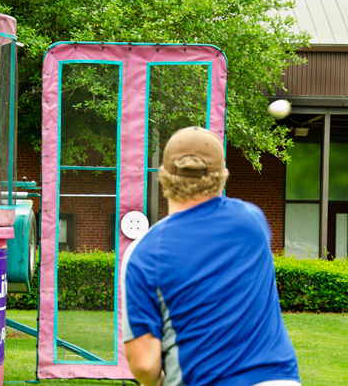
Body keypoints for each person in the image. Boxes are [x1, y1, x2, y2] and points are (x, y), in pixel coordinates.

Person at [122, 126, 301, 386]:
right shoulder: (253, 221)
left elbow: (144, 364)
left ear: (163, 177)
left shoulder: (144, 253)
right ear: (223, 175)